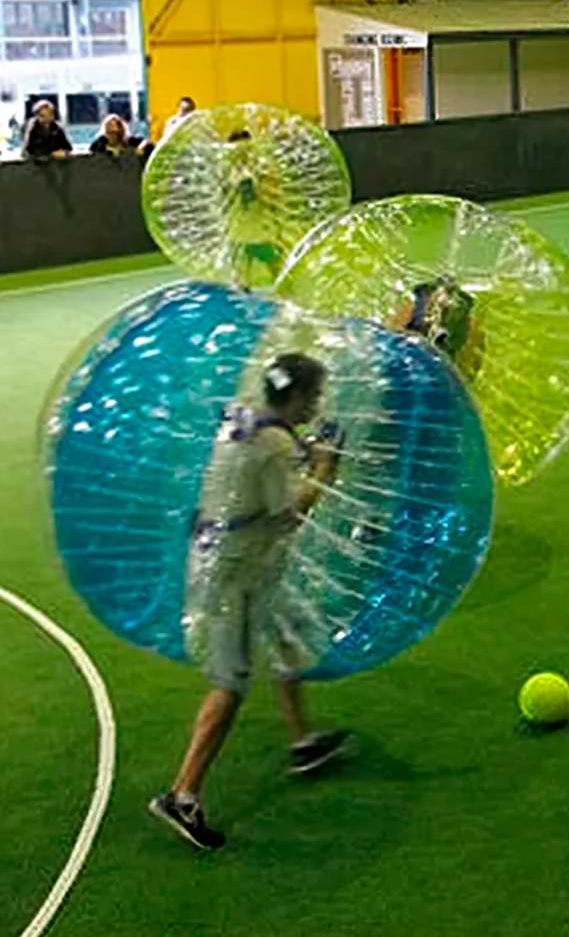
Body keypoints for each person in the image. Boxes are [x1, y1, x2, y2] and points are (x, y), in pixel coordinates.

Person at [149, 353, 351, 851]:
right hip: (235, 577)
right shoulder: (273, 443)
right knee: (230, 683)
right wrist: (325, 469)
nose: (317, 404)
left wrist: (305, 451)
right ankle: (183, 794)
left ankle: (303, 741)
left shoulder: (246, 419)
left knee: (286, 635)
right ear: (296, 395)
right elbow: (289, 517)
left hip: (234, 561)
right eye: (313, 395)